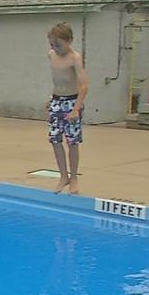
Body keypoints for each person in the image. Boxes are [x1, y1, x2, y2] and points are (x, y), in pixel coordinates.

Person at [45, 22, 89, 195]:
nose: (55, 48)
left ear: (69, 41)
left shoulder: (75, 58)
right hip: (57, 100)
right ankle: (63, 176)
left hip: (72, 102)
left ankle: (74, 178)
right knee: (55, 140)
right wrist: (51, 98)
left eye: (58, 45)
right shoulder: (51, 55)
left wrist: (76, 109)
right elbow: (57, 80)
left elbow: (84, 85)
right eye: (52, 45)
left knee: (72, 142)